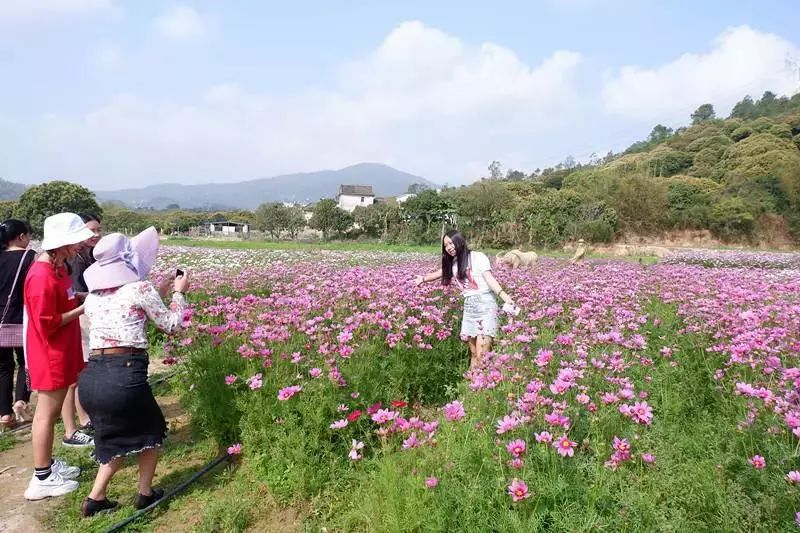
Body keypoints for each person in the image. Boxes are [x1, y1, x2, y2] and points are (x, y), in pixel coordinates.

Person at [78, 228, 188, 517]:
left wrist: (159, 292)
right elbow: (173, 325)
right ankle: (145, 493)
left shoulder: (93, 297)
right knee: (150, 431)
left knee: (113, 436)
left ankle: (95, 498)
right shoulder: (140, 289)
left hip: (92, 377)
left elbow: (127, 317)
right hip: (124, 374)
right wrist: (178, 294)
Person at [23, 213, 94, 500]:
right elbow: (47, 322)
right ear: (60, 243)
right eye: (75, 241)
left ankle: (48, 465)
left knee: (51, 411)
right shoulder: (40, 276)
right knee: (46, 414)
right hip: (49, 353)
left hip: (64, 348)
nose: (80, 245)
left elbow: (65, 296)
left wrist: (80, 297)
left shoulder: (59, 267)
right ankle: (41, 477)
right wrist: (82, 309)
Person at [415, 230, 517, 370]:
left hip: (485, 306)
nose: (449, 247)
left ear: (459, 241)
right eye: (446, 246)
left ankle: (483, 387)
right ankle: (472, 387)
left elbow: (490, 279)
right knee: (474, 353)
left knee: (483, 355)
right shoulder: (454, 263)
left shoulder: (477, 257)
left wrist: (505, 296)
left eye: (451, 243)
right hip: (469, 308)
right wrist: (423, 279)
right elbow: (441, 272)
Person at [60, 212, 103, 445]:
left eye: (98, 230)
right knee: (77, 374)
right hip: (80, 317)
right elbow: (76, 294)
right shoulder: (76, 260)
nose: (95, 235)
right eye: (91, 231)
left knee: (83, 371)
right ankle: (78, 422)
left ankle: (84, 418)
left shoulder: (91, 256)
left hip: (87, 315)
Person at [0, 219, 36, 429]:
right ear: (21, 236)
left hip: (0, 319)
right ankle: (21, 401)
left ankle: (4, 415)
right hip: (21, 317)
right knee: (26, 362)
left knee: (3, 368)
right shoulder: (30, 258)